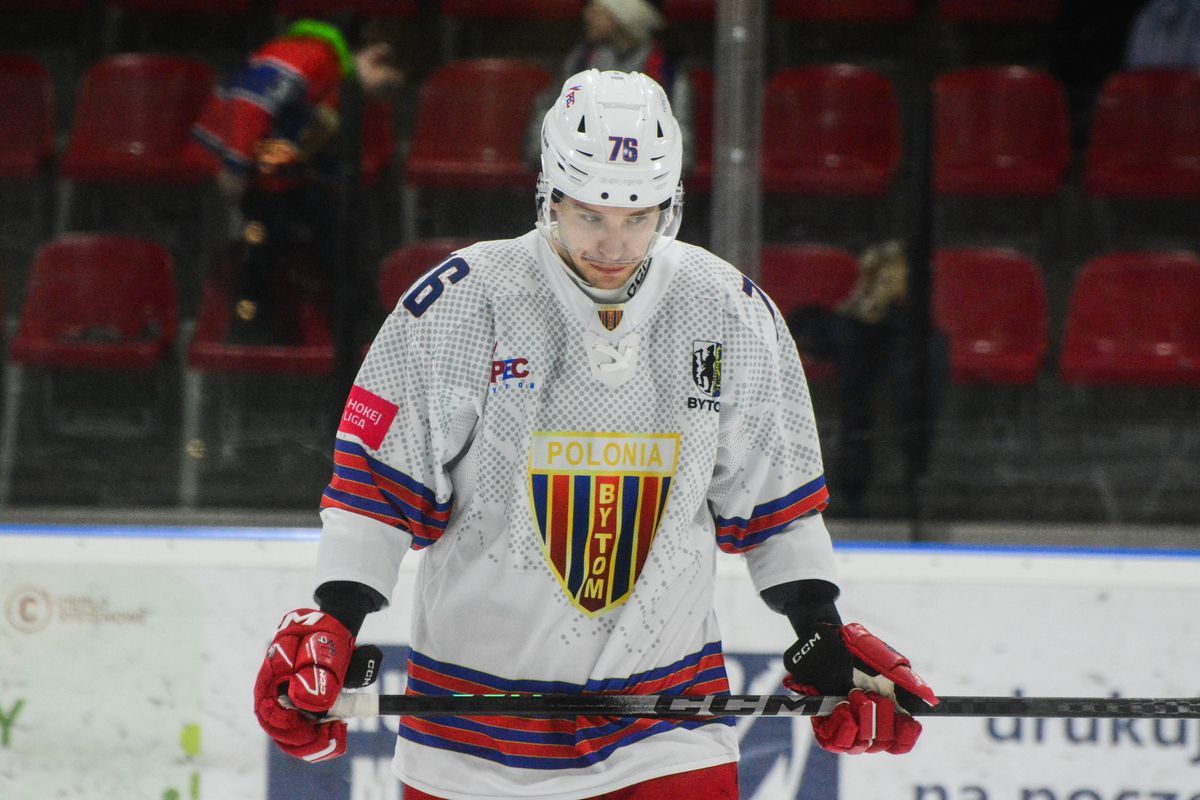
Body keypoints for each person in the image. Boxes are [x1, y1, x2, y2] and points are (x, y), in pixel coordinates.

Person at [253, 70, 937, 798]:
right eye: (589, 215)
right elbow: (375, 490)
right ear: (548, 195)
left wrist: (820, 634)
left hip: (667, 729)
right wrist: (337, 621)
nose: (614, 244)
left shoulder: (729, 309)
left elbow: (777, 504)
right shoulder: (461, 302)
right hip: (471, 739)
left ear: (670, 205)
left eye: (638, 217)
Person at [191, 17, 405, 345]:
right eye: (387, 80)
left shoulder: (349, 89)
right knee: (264, 244)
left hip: (284, 172)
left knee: (335, 235)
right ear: (375, 55)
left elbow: (357, 154)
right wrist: (234, 167)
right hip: (237, 165)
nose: (388, 91)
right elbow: (250, 105)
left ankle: (361, 327)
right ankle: (249, 329)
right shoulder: (310, 57)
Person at [787, 240, 914, 519]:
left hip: (891, 355)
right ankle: (853, 491)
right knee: (858, 398)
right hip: (858, 352)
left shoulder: (912, 327)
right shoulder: (847, 324)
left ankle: (909, 487)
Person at [524, 0, 694, 176]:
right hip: (579, 175)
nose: (588, 14)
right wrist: (548, 160)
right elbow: (549, 112)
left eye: (599, 9)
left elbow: (681, 145)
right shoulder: (580, 62)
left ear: (625, 15)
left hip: (643, 180)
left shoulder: (667, 73)